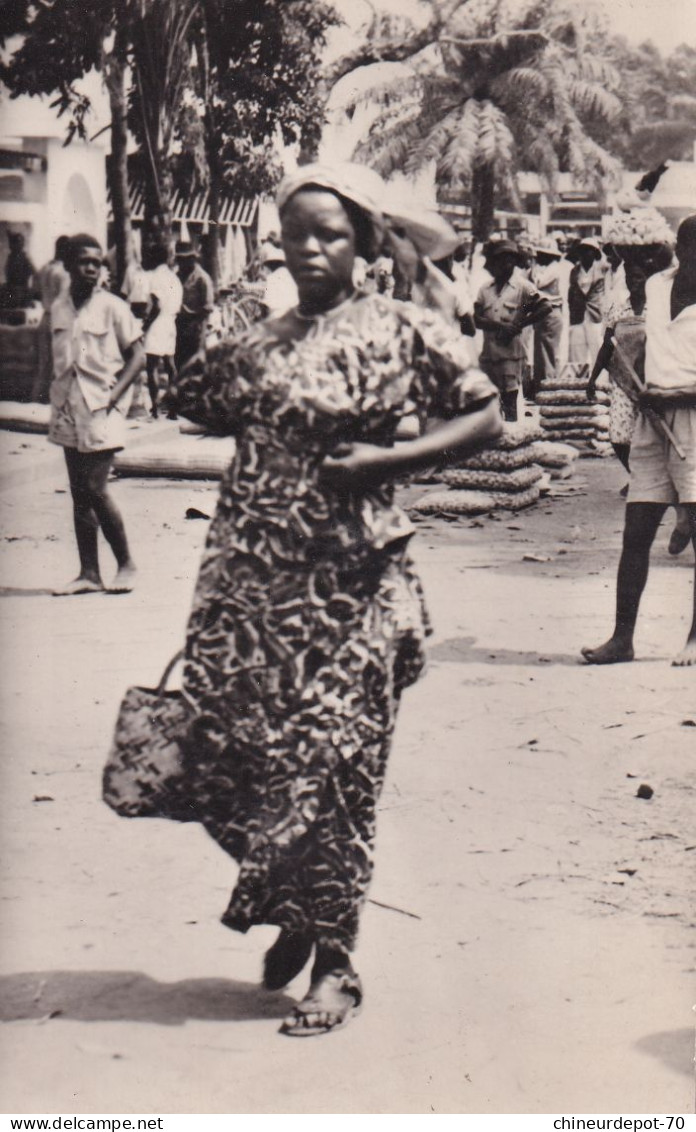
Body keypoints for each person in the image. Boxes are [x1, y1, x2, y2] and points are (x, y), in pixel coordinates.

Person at [167, 162, 502, 1036]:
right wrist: (199, 312)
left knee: (342, 771)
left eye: (331, 233)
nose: (309, 248)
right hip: (250, 593)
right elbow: (191, 399)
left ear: (363, 243)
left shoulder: (399, 330)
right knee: (239, 761)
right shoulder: (260, 339)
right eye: (295, 233)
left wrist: (387, 461)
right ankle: (295, 905)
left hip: (355, 592)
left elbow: (484, 414)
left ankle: (336, 963)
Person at [582, 214, 696, 668]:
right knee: (636, 533)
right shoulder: (656, 286)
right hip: (652, 419)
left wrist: (679, 392)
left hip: (692, 419)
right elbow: (641, 340)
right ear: (680, 251)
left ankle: (694, 640)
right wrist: (639, 381)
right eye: (688, 251)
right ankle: (622, 638)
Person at [48, 234, 144, 595]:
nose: (92, 268)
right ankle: (89, 573)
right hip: (68, 406)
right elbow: (53, 356)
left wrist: (114, 396)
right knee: (78, 493)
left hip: (103, 407)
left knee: (96, 488)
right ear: (69, 265)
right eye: (85, 262)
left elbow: (138, 356)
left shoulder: (113, 307)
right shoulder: (58, 307)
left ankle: (127, 565)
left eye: (98, 263)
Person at [474, 240, 554, 421]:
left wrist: (519, 325)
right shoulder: (485, 289)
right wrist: (501, 326)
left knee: (509, 402)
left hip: (510, 355)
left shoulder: (522, 288)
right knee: (487, 404)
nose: (507, 265)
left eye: (511, 261)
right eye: (502, 260)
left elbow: (545, 306)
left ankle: (510, 436)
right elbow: (475, 319)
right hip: (488, 355)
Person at [142, 244, 183, 418]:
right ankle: (173, 408)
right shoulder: (174, 278)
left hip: (159, 322)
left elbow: (156, 306)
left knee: (152, 366)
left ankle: (155, 408)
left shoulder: (157, 277)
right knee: (170, 366)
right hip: (171, 321)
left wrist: (146, 325)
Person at [33, 235, 70, 402]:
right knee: (59, 361)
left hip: (44, 316)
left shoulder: (44, 269)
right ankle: (54, 399)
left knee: (43, 363)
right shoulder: (63, 273)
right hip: (58, 318)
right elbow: (65, 299)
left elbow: (34, 292)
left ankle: (37, 397)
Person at [530, 237, 565, 393]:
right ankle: (540, 386)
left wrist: (533, 265)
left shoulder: (554, 268)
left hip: (551, 312)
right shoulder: (548, 267)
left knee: (547, 353)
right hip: (543, 313)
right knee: (540, 351)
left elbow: (537, 283)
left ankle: (549, 387)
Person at [567, 238, 605, 372]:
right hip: (578, 314)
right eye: (583, 251)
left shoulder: (602, 270)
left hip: (595, 315)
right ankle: (579, 382)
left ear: (595, 253)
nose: (585, 254)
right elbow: (571, 294)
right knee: (577, 349)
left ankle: (599, 383)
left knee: (597, 349)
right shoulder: (574, 271)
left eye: (589, 251)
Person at [175, 242, 214, 370]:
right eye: (180, 259)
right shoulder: (177, 276)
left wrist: (201, 335)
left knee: (194, 364)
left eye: (186, 259)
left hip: (195, 326)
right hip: (179, 326)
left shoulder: (202, 278)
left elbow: (207, 309)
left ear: (193, 259)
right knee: (179, 363)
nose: (182, 263)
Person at [4, 231, 35, 307]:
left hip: (21, 291)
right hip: (11, 291)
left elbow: (33, 272)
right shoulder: (11, 258)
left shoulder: (24, 258)